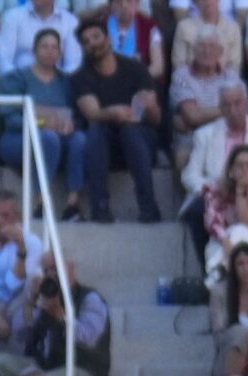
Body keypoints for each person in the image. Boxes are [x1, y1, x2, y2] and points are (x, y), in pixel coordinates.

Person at [70, 18, 163, 224]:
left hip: (139, 141)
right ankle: (100, 207)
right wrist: (113, 112)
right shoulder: (81, 77)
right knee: (97, 128)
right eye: (86, 41)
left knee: (130, 130)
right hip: (104, 147)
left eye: (96, 37)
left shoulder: (135, 69)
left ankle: (149, 207)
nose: (92, 43)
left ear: (109, 39)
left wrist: (140, 111)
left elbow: (154, 117)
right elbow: (92, 112)